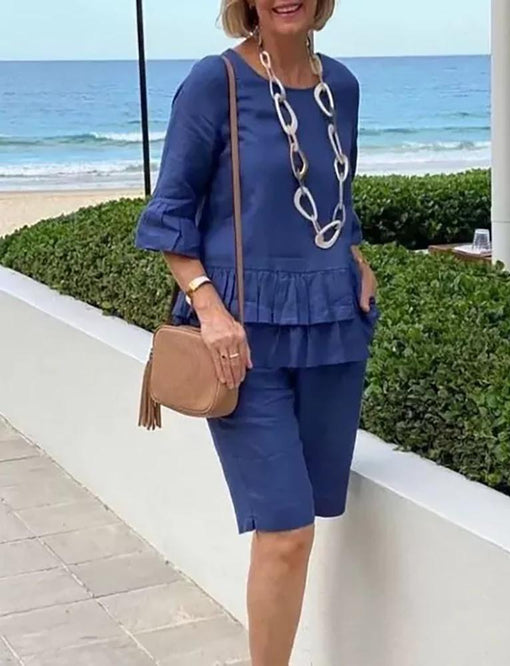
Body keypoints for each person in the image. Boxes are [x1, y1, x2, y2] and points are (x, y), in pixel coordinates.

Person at [134, 0, 379, 663]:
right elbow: (171, 211)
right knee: (285, 530)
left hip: (331, 328)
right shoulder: (214, 82)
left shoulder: (342, 87)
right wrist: (208, 309)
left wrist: (354, 256)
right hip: (242, 341)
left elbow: (335, 197)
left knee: (303, 525)